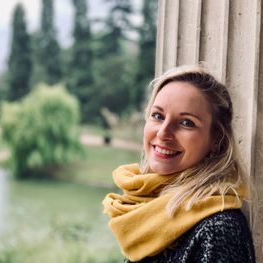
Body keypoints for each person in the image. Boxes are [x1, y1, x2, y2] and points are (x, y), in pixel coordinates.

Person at [102, 65, 255, 262]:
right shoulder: (148, 211)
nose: (163, 133)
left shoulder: (219, 230)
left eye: (186, 123)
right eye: (158, 116)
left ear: (216, 139)